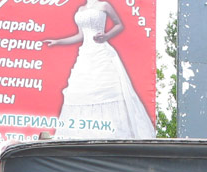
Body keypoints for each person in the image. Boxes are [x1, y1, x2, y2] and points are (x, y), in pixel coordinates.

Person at [45, 0, 155, 140]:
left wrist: (106, 36)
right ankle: (85, 134)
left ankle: (112, 134)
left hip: (102, 53)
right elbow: (80, 36)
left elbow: (119, 25)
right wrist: (58, 42)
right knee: (81, 92)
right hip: (86, 54)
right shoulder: (81, 9)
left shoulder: (104, 5)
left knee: (109, 91)